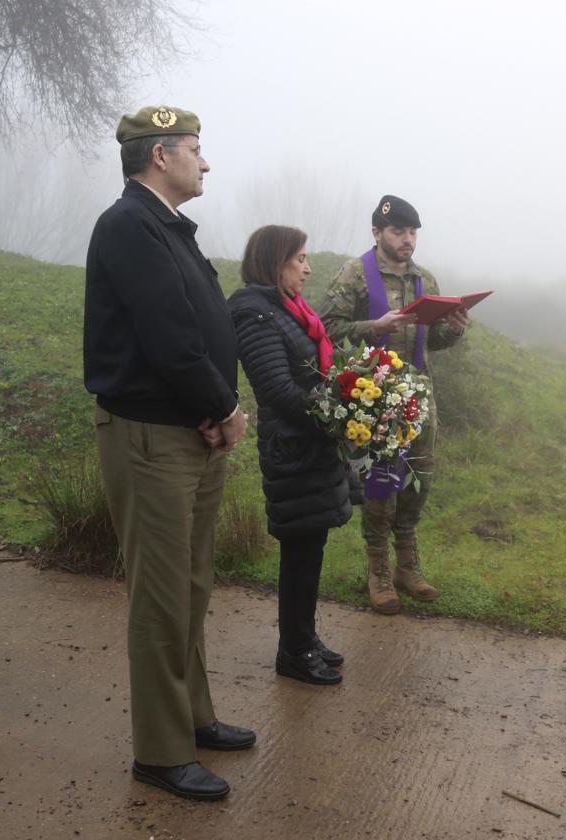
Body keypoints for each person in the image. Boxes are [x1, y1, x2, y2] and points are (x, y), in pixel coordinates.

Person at [83, 105, 254, 802]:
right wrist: (223, 409)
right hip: (154, 437)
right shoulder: (129, 225)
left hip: (190, 432)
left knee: (191, 585)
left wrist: (209, 415)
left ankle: (192, 716)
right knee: (159, 597)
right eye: (195, 149)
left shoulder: (169, 228)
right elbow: (167, 334)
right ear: (161, 156)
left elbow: (192, 326)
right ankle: (159, 751)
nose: (205, 161)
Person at [320, 195, 469, 614]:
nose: (407, 240)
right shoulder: (354, 275)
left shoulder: (426, 281)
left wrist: (454, 330)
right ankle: (378, 568)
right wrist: (374, 326)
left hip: (420, 392)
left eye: (412, 233)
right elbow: (326, 329)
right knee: (382, 479)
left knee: (420, 473)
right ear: (377, 233)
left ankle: (408, 563)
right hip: (374, 394)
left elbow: (433, 338)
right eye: (398, 232)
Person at [228, 225, 353, 686]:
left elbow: (313, 371)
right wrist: (339, 414)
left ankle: (304, 636)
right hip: (294, 448)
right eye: (299, 258)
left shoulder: (290, 311)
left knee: (310, 546)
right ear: (274, 262)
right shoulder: (255, 314)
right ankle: (294, 651)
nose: (307, 266)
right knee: (300, 548)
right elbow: (278, 390)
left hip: (311, 445)